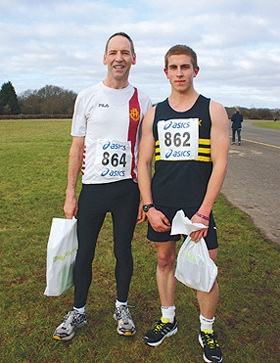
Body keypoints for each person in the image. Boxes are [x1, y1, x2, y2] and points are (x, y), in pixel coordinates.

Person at [53, 32, 152, 341]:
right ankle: (78, 310)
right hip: (93, 189)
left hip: (127, 190)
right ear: (105, 57)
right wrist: (71, 193)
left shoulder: (144, 100)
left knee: (123, 251)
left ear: (134, 58)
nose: (119, 58)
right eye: (113, 52)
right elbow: (75, 148)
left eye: (125, 52)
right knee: (85, 254)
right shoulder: (87, 96)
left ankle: (122, 307)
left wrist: (145, 197)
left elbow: (146, 156)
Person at [137, 45, 229, 363]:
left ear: (195, 71)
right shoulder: (154, 114)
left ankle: (207, 329)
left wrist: (204, 211)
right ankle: (168, 320)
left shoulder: (213, 110)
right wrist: (149, 206)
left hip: (197, 206)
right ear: (166, 72)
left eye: (185, 67)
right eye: (173, 67)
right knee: (164, 261)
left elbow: (220, 163)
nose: (179, 73)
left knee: (207, 269)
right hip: (163, 204)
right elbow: (143, 161)